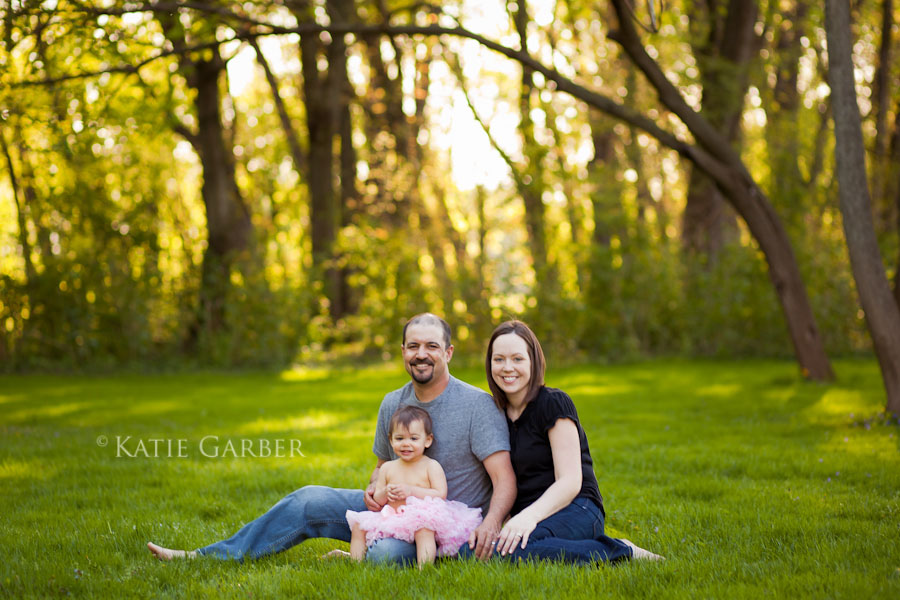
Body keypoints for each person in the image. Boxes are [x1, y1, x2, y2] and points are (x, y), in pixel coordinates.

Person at [147, 313, 516, 563]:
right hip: (390, 511)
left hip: (440, 526)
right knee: (308, 499)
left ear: (448, 352)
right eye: (413, 346)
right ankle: (206, 557)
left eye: (432, 346)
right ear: (403, 351)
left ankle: (364, 555)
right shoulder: (393, 403)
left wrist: (491, 524)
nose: (422, 355)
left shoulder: (476, 406)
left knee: (386, 557)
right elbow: (381, 467)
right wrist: (373, 490)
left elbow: (504, 480)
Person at [471, 320, 663, 564]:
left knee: (507, 551)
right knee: (474, 551)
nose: (507, 367)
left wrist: (528, 517)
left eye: (517, 359)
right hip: (533, 517)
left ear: (533, 361)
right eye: (499, 359)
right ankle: (581, 549)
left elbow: (571, 481)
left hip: (577, 509)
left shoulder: (553, 403)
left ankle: (621, 551)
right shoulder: (495, 414)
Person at [345, 405, 482, 566]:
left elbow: (440, 494)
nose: (406, 444)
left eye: (414, 439)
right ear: (390, 440)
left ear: (428, 440)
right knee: (358, 527)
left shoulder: (430, 465)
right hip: (393, 517)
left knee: (424, 529)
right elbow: (377, 500)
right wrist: (386, 493)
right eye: (400, 438)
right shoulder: (388, 467)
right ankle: (355, 563)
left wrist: (411, 491)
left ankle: (424, 568)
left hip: (420, 516)